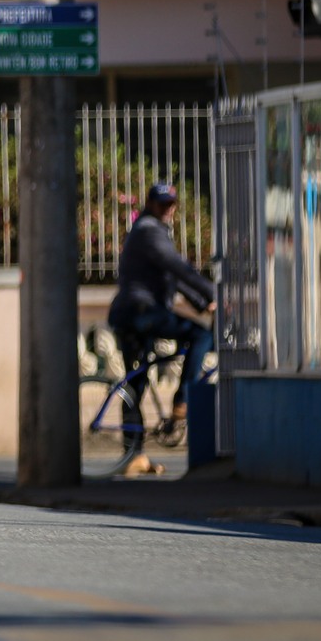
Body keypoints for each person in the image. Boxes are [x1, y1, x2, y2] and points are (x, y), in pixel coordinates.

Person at [107, 182, 217, 456]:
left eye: (171, 204)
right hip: (140, 311)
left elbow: (171, 278)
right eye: (162, 204)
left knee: (137, 382)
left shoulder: (149, 230)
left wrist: (203, 303)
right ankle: (183, 400)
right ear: (150, 204)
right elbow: (176, 266)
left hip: (133, 312)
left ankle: (133, 456)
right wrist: (213, 292)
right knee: (201, 336)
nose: (167, 209)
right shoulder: (149, 231)